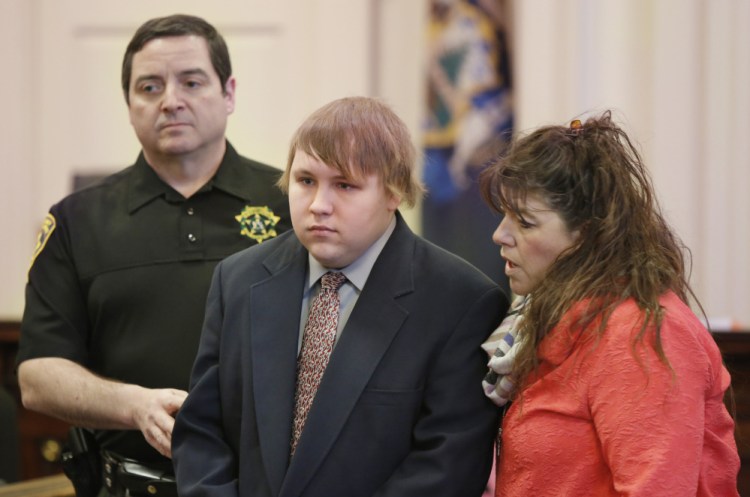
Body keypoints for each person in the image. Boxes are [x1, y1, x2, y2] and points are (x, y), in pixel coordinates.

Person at [171, 96, 509, 497]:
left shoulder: (462, 301)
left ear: (394, 192)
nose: (319, 206)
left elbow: (446, 466)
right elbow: (202, 432)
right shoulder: (238, 279)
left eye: (345, 185)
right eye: (306, 181)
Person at [16, 13, 291, 495]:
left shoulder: (292, 204)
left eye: (191, 81)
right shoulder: (77, 221)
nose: (170, 101)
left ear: (228, 93)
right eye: (149, 86)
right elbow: (38, 377)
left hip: (267, 484)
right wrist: (134, 405)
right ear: (129, 104)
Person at [480, 112, 740, 496]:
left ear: (585, 234)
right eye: (504, 216)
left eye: (525, 222)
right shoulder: (554, 316)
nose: (499, 235)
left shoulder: (643, 333)